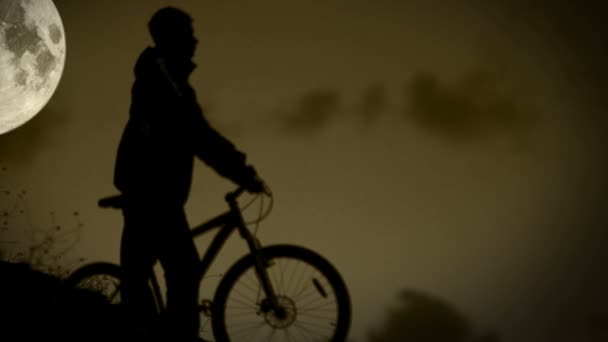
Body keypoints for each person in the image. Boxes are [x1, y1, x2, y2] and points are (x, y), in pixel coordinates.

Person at [112, 6, 265, 341]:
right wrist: (241, 171)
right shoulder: (163, 82)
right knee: (182, 269)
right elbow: (197, 134)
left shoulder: (167, 78)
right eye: (189, 34)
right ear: (173, 38)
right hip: (152, 191)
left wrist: (238, 169)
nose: (196, 41)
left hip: (154, 190)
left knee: (146, 271)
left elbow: (196, 134)